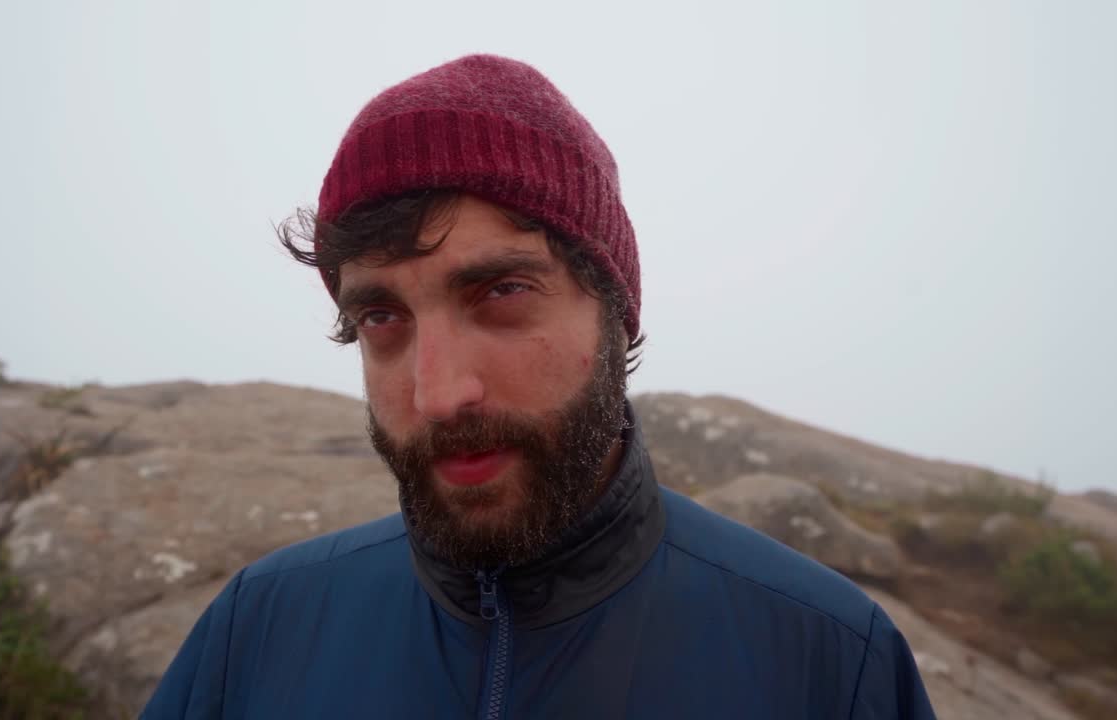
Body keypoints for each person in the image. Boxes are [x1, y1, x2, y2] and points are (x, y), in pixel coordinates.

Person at [142, 54, 936, 719]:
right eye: (381, 316)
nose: (439, 394)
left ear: (614, 310)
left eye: (501, 293)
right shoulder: (256, 633)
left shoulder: (831, 660)